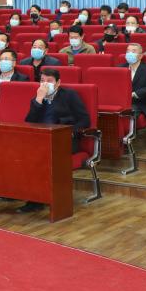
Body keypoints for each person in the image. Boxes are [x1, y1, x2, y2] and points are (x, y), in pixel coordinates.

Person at [18, 68, 90, 213]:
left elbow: (85, 120)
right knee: (19, 153)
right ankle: (21, 194)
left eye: (49, 81)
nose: (45, 84)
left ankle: (38, 200)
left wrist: (69, 132)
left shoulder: (69, 95)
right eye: (42, 81)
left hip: (63, 140)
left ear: (58, 83)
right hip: (40, 140)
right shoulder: (38, 97)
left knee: (39, 157)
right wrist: (39, 100)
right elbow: (30, 122)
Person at [118, 43, 146, 120]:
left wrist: (134, 94)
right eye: (128, 51)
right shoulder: (119, 68)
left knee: (125, 113)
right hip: (121, 101)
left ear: (140, 56)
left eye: (133, 51)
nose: (130, 53)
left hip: (139, 102)